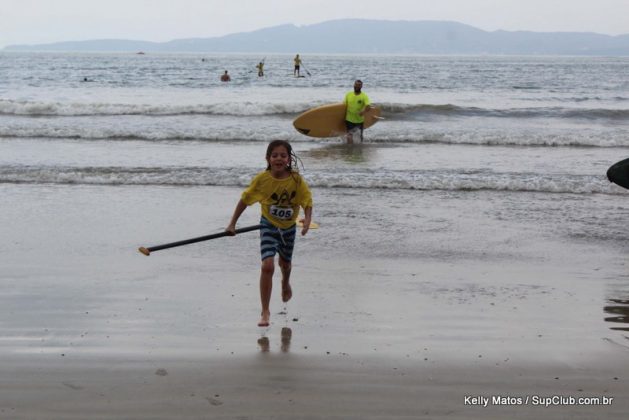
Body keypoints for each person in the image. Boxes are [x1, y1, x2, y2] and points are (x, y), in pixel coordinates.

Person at [226, 140, 313, 327]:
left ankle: (285, 283)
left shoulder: (296, 180)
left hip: (289, 228)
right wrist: (232, 224)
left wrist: (306, 219)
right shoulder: (262, 180)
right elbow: (245, 200)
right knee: (267, 266)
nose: (279, 158)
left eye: (283, 155)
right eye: (275, 155)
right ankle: (265, 312)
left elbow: (307, 200)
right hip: (268, 226)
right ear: (268, 159)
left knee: (285, 264)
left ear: (289, 159)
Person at [344, 79, 371, 144]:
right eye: (356, 85)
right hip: (349, 119)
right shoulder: (348, 94)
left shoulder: (364, 96)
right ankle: (350, 148)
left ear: (361, 87)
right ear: (353, 85)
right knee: (349, 135)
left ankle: (360, 147)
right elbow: (343, 106)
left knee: (359, 136)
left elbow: (368, 106)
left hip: (359, 120)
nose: (357, 86)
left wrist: (363, 111)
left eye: (359, 85)